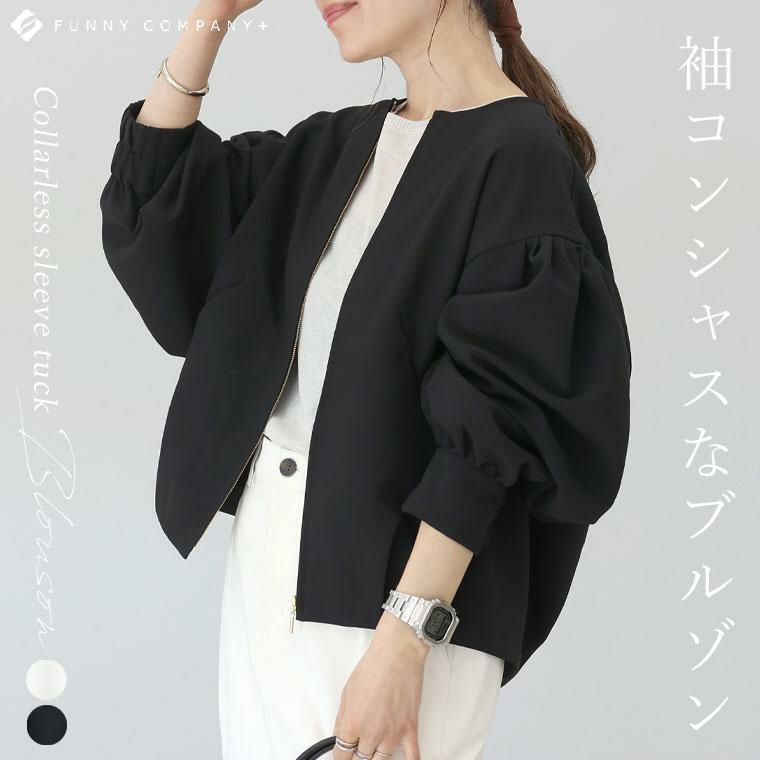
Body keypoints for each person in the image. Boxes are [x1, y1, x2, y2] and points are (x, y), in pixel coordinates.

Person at [99, 1, 632, 759]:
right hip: (268, 586)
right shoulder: (332, 149)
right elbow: (157, 211)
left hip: (393, 615)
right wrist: (211, 16)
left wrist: (404, 642)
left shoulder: (518, 156)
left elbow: (497, 428)